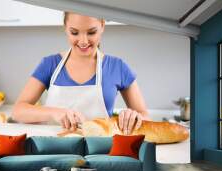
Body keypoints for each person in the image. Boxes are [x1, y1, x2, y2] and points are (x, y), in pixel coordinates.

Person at [12, 12, 150, 135]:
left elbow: (145, 116)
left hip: (100, 153)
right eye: (74, 32)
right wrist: (55, 113)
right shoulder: (50, 64)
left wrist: (134, 116)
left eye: (91, 32)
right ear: (65, 28)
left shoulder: (118, 67)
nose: (83, 41)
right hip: (55, 151)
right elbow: (18, 111)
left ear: (102, 26)